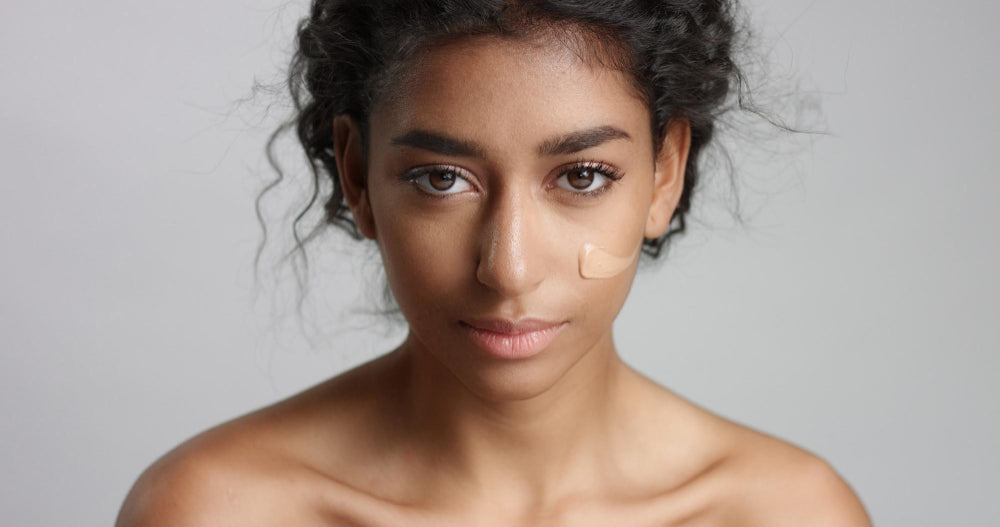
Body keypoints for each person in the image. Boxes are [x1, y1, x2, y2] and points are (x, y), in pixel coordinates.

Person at [116, 1, 872, 525]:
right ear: (357, 174)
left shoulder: (785, 514)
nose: (507, 269)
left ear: (665, 173)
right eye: (441, 179)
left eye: (581, 175)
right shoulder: (216, 510)